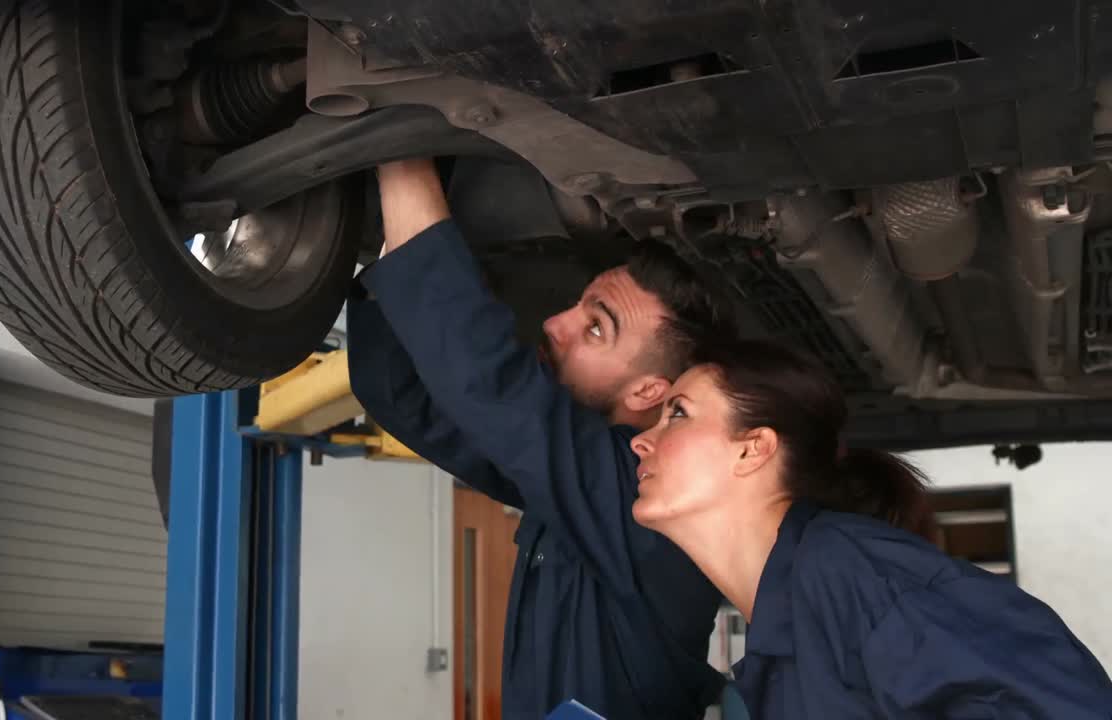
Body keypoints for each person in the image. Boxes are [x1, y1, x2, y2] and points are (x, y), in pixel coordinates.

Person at [347, 157, 735, 719]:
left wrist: (401, 157)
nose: (556, 323)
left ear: (650, 391)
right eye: (580, 307)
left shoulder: (651, 514)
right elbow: (406, 398)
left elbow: (490, 385)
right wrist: (397, 246)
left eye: (595, 327)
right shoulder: (585, 496)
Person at [630, 339, 1112, 718]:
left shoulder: (854, 573)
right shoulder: (784, 634)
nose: (642, 441)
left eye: (677, 412)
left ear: (752, 448)